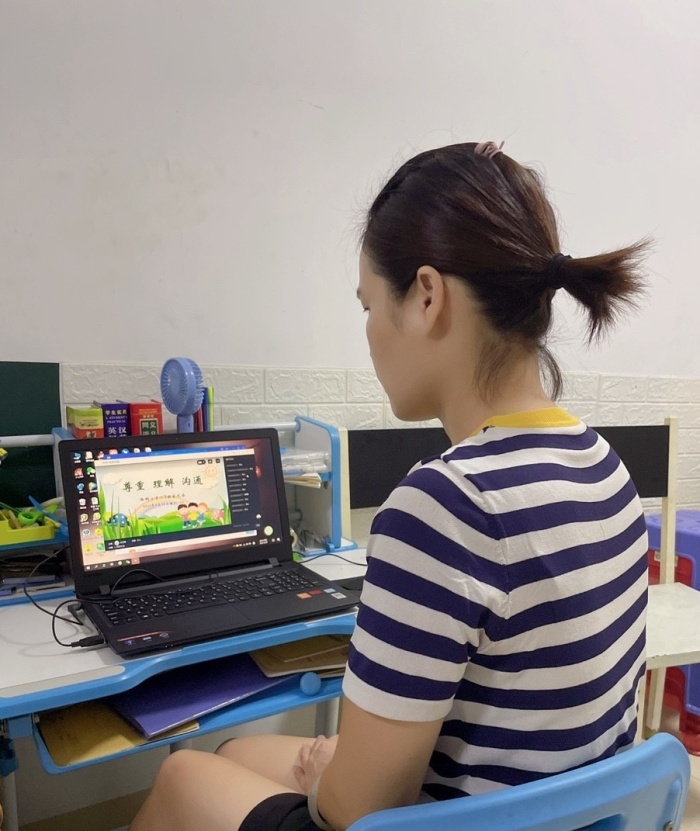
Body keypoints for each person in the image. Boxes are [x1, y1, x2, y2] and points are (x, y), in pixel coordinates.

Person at [130, 141, 649, 831]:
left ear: (427, 297)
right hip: (566, 814)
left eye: (369, 305)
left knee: (184, 774)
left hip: (452, 823)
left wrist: (331, 774)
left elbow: (359, 809)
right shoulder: (604, 464)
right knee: (239, 753)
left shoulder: (445, 505)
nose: (370, 333)